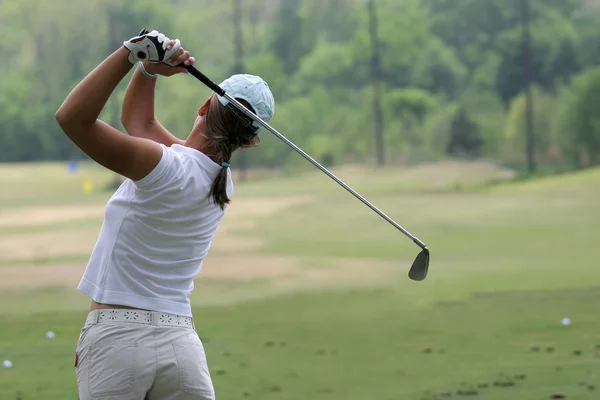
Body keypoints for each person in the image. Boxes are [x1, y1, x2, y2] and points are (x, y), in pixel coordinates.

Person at [56, 29, 275, 400]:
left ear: (205, 106)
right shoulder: (220, 182)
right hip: (182, 349)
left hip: (118, 340)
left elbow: (72, 119)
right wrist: (148, 71)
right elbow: (140, 125)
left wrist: (130, 53)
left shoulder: (166, 165)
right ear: (250, 141)